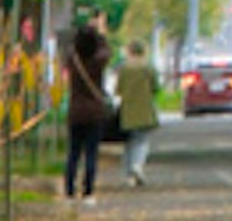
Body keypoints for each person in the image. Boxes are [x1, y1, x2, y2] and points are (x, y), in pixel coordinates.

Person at [62, 12, 117, 202]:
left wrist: (85, 31)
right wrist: (100, 33)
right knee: (91, 154)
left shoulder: (73, 60)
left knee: (73, 153)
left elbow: (71, 49)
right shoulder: (98, 61)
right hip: (94, 112)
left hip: (75, 111)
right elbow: (107, 51)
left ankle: (69, 190)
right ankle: (88, 192)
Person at [117, 15, 161, 188]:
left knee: (129, 141)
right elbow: (156, 88)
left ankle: (129, 173)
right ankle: (137, 166)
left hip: (127, 108)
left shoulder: (124, 69)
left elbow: (118, 90)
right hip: (145, 108)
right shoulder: (148, 68)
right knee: (142, 140)